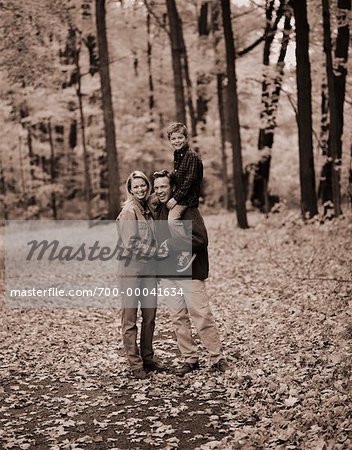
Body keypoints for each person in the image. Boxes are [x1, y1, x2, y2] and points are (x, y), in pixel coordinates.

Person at [152, 170, 229, 377]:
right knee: (178, 319)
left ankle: (217, 358)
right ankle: (190, 359)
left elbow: (201, 240)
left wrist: (173, 244)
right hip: (168, 276)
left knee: (202, 316)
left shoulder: (186, 209)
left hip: (190, 273)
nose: (160, 191)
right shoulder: (158, 210)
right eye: (157, 187)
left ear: (172, 187)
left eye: (163, 186)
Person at [116, 170, 164, 380]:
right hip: (131, 271)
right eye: (135, 187)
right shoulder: (129, 211)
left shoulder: (147, 208)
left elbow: (163, 193)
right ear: (130, 189)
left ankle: (148, 359)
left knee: (150, 316)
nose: (140, 189)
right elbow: (131, 244)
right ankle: (135, 364)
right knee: (130, 319)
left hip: (149, 271)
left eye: (143, 185)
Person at [166, 122, 203, 272]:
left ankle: (186, 249)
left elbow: (189, 181)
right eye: (173, 138)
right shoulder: (178, 154)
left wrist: (175, 199)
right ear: (170, 140)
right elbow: (178, 175)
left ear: (186, 138)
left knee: (172, 220)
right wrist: (166, 176)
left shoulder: (192, 156)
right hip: (179, 193)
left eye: (180, 137)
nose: (177, 141)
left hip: (187, 197)